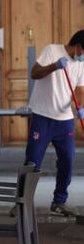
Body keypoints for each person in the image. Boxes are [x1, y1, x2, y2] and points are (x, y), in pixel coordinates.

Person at [22, 30, 84, 217]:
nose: (83, 56)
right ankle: (21, 203)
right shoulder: (52, 51)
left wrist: (80, 107)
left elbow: (80, 89)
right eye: (83, 52)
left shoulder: (81, 64)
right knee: (33, 161)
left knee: (67, 159)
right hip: (42, 116)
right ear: (78, 46)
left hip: (64, 120)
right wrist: (54, 66)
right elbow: (34, 73)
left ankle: (59, 201)